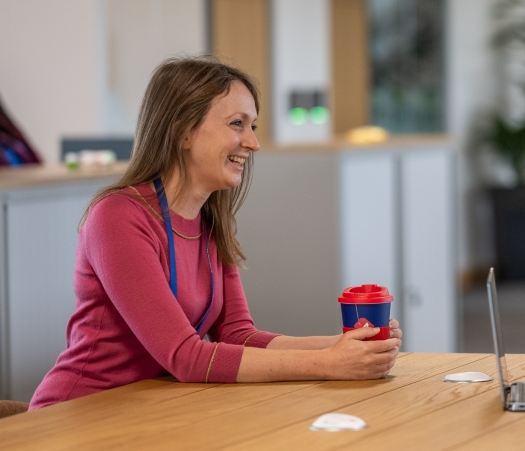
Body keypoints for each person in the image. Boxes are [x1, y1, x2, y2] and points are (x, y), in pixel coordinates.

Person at [31, 56, 402, 409]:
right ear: (183, 131)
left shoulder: (209, 220)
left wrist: (347, 347)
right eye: (236, 124)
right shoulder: (117, 217)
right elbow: (186, 357)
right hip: (79, 413)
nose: (253, 143)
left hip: (144, 410)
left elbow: (238, 336)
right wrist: (328, 365)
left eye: (252, 126)